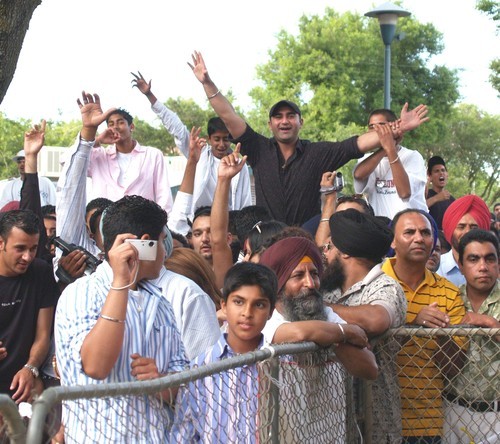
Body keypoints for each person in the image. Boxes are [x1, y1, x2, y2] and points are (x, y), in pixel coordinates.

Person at [188, 51, 429, 226]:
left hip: (308, 242)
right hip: (268, 241)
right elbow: (227, 115)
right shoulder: (259, 149)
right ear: (270, 124)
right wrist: (207, 83)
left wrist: (398, 127)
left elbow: (359, 143)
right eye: (278, 117)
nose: (284, 121)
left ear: (300, 122)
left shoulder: (318, 153)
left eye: (291, 116)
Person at [55, 195, 187, 442]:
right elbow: (95, 366)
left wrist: (161, 383)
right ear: (144, 244)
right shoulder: (82, 293)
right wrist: (120, 283)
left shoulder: (160, 303)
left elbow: (184, 384)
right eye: (161, 241)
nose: (165, 251)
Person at [321, 209, 407, 444]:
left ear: (345, 252)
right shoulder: (327, 288)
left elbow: (376, 319)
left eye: (329, 247)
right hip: (331, 419)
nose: (325, 255)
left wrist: (320, 311)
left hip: (376, 421)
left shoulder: (385, 287)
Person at [381, 209, 466, 443]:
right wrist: (414, 323)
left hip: (427, 422)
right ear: (393, 241)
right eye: (409, 232)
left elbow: (454, 368)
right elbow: (372, 350)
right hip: (378, 416)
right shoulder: (374, 282)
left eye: (425, 233)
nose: (419, 238)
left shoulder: (448, 292)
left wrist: (440, 332)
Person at [171, 262, 277, 442]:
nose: (247, 313)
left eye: (259, 305)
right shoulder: (200, 368)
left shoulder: (278, 364)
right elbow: (183, 435)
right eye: (238, 302)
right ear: (224, 305)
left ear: (270, 311)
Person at [132, 71, 252, 215]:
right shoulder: (198, 154)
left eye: (226, 139)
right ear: (209, 139)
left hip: (228, 222)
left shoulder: (239, 163)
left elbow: (246, 201)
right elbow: (176, 127)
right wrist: (149, 95)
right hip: (197, 220)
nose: (221, 144)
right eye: (217, 139)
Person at [61, 95, 173, 212]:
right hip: (104, 225)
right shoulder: (98, 155)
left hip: (142, 225)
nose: (116, 127)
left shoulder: (152, 155)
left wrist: (162, 227)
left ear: (132, 127)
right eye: (111, 124)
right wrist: (97, 140)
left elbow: (163, 195)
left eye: (120, 123)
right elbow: (66, 162)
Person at [443, 229, 500, 444]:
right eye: (473, 259)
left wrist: (492, 325)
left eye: (489, 258)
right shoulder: (449, 299)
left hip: (496, 413)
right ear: (461, 266)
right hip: (453, 409)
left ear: (498, 263)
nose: (483, 267)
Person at [0, 210, 59, 402]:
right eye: (20, 248)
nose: (27, 257)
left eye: (33, 249)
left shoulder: (41, 272)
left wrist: (30, 369)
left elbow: (43, 335)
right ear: (1, 243)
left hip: (24, 384)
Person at [353, 109, 428, 218]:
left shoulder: (413, 156)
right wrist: (386, 147)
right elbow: (358, 175)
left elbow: (404, 193)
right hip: (381, 229)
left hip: (411, 228)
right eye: (371, 127)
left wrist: (390, 149)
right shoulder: (366, 159)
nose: (376, 130)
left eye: (381, 125)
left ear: (393, 126)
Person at [438, 195, 491, 287]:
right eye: (461, 227)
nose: (467, 232)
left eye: (473, 227)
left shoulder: (492, 269)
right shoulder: (435, 268)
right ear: (450, 229)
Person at [426, 156, 455, 230]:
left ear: (447, 174)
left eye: (443, 170)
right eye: (436, 171)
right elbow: (418, 209)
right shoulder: (426, 195)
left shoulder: (452, 200)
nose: (441, 173)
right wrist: (436, 198)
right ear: (430, 176)